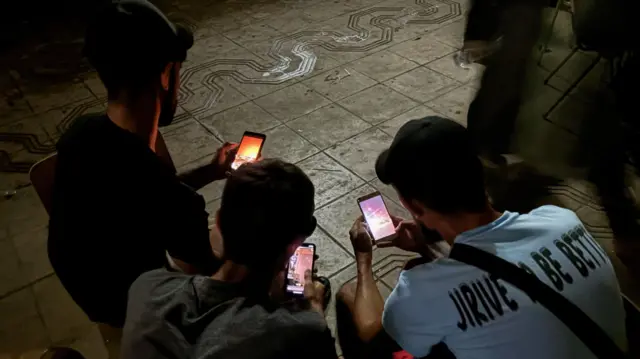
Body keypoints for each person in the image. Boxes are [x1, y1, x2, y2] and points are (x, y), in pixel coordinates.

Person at [336, 116, 627, 359]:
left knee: (350, 295)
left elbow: (372, 333)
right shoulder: (562, 221)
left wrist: (364, 261)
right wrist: (426, 245)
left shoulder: (420, 292)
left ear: (413, 206)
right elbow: (494, 264)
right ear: (480, 175)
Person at [48, 0, 235, 328]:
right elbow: (215, 274)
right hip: (144, 315)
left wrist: (211, 170)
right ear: (166, 74)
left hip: (96, 295)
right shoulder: (170, 198)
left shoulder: (79, 135)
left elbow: (145, 193)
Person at [121, 159, 337, 359]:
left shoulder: (146, 287)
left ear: (219, 222)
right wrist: (313, 306)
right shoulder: (299, 332)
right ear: (297, 241)